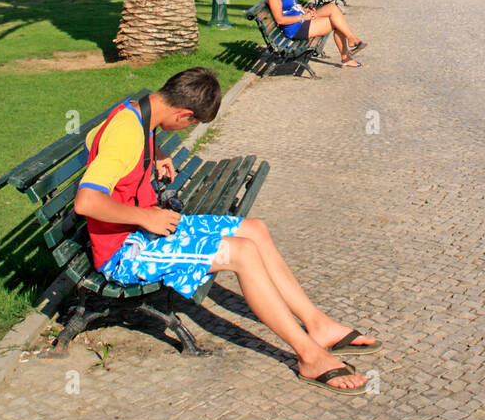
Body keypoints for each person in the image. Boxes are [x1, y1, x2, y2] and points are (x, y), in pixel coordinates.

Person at [73, 67, 376, 394]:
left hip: (145, 228)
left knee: (254, 230)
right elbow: (86, 202)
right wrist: (146, 218)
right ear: (184, 113)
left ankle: (318, 325)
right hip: (125, 250)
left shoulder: (136, 112)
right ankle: (309, 356)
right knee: (242, 253)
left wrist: (155, 153)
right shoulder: (128, 133)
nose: (188, 128)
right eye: (192, 123)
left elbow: (96, 140)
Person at [265, 0, 366, 68]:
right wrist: (303, 17)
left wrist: (306, 10)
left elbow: (292, 6)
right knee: (336, 23)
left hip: (302, 19)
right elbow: (280, 19)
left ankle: (352, 40)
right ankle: (347, 54)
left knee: (332, 8)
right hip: (296, 28)